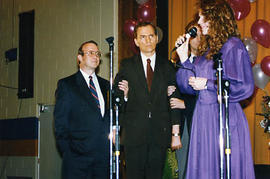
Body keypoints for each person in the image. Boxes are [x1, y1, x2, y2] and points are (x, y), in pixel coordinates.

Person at [175, 0, 255, 178]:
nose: (200, 21)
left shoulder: (233, 45)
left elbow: (245, 86)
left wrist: (209, 84)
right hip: (203, 118)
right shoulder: (206, 50)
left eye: (204, 17)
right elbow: (187, 86)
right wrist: (183, 59)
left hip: (224, 118)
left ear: (216, 18)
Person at [114, 22, 182, 179]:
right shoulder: (127, 65)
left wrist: (175, 133)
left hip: (159, 135)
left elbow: (174, 100)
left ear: (156, 38)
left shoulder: (168, 67)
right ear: (136, 41)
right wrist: (125, 95)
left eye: (151, 36)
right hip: (134, 135)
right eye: (142, 37)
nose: (147, 40)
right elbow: (117, 97)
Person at [54, 40, 112, 179]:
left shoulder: (106, 85)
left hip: (102, 160)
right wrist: (69, 153)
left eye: (97, 53)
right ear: (79, 57)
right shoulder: (67, 85)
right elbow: (60, 124)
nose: (95, 56)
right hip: (77, 161)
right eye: (90, 53)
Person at [168, 18, 202, 179]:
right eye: (194, 34)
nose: (199, 37)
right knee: (184, 170)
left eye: (201, 33)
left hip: (204, 123)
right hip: (185, 125)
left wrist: (186, 104)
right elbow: (174, 97)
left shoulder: (210, 62)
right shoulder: (178, 64)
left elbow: (212, 94)